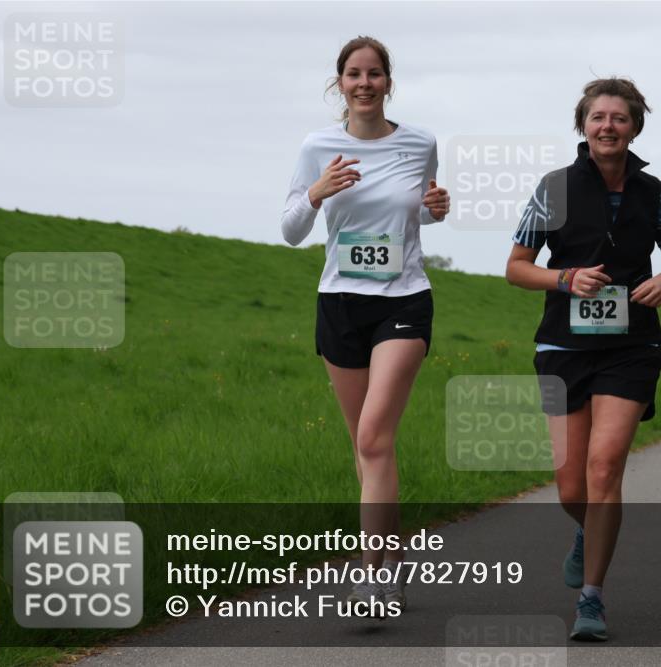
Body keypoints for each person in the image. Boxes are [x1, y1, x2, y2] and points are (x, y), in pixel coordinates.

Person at [506, 78, 661, 641]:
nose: (607, 126)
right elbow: (516, 266)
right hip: (563, 345)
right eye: (597, 117)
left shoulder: (657, 193)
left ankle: (591, 598)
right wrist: (564, 278)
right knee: (571, 487)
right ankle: (587, 531)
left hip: (632, 347)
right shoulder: (554, 187)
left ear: (634, 126)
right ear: (582, 126)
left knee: (604, 468)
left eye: (619, 117)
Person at [280, 36, 449, 615]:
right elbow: (290, 229)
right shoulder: (317, 146)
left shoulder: (420, 142)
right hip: (339, 303)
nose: (365, 83)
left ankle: (368, 575)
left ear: (388, 82)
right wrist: (315, 192)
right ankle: (394, 559)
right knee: (367, 449)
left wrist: (435, 207)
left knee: (374, 438)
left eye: (375, 74)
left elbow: (416, 211)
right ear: (340, 82)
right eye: (354, 74)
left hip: (403, 299)